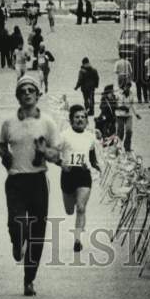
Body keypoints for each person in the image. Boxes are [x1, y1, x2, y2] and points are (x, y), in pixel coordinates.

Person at [0, 75, 61, 296]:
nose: (27, 94)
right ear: (17, 96)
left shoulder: (48, 122)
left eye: (31, 90)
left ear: (38, 94)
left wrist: (45, 152)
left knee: (37, 233)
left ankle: (29, 280)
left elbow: (57, 153)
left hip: (37, 181)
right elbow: (1, 145)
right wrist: (6, 157)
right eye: (22, 91)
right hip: (15, 181)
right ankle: (16, 240)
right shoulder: (8, 122)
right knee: (17, 221)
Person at [52, 105, 102, 252]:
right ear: (71, 120)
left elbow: (92, 158)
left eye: (83, 117)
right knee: (69, 210)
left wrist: (96, 168)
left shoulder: (90, 136)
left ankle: (77, 240)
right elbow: (53, 153)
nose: (80, 120)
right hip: (68, 175)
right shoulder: (64, 136)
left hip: (83, 174)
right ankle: (73, 208)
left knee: (81, 208)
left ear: (86, 120)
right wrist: (61, 164)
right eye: (77, 117)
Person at [114, 83, 140, 153]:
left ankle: (127, 146)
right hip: (119, 115)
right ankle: (118, 146)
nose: (127, 88)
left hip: (128, 115)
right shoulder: (118, 94)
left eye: (129, 87)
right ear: (123, 87)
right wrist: (118, 108)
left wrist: (136, 114)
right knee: (120, 131)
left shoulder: (131, 94)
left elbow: (133, 105)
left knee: (129, 131)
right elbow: (114, 103)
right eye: (126, 87)